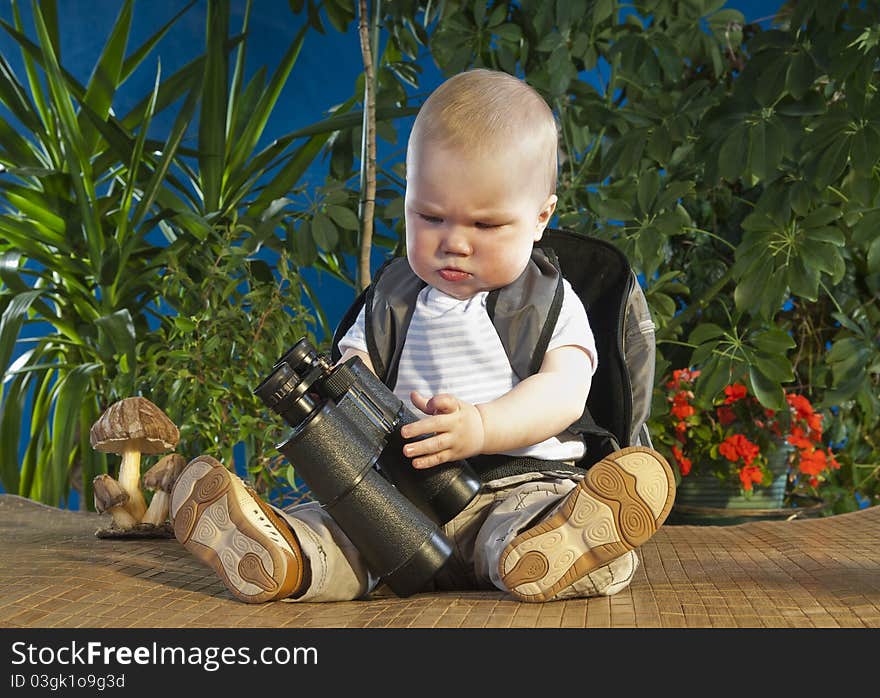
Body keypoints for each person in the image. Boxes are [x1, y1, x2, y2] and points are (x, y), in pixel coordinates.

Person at [170, 68, 675, 604]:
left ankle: (561, 548)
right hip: (399, 502)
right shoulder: (393, 296)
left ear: (540, 218)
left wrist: (481, 427)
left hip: (517, 482)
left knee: (533, 519)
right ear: (407, 201)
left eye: (485, 226)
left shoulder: (546, 299)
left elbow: (565, 390)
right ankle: (287, 555)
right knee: (344, 536)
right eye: (430, 217)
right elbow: (352, 374)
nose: (454, 243)